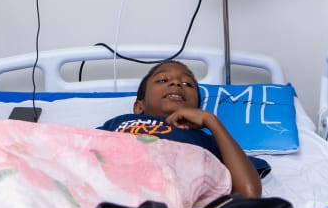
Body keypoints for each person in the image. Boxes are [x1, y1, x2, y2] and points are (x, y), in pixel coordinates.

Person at [98, 59, 263, 197]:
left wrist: (211, 120)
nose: (176, 83)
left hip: (170, 196)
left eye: (187, 84)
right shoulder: (119, 122)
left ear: (196, 108)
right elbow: (84, 152)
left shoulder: (205, 139)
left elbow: (249, 192)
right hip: (111, 186)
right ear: (139, 107)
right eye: (162, 80)